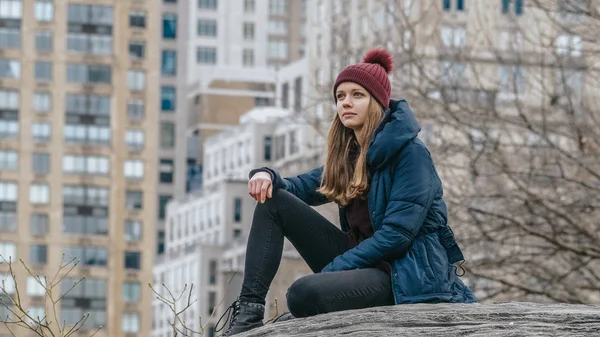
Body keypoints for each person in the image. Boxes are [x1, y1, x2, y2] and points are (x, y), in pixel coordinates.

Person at [216, 49, 476, 336]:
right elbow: (300, 187)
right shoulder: (351, 156)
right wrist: (266, 174)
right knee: (273, 202)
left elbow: (396, 237)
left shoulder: (412, 154)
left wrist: (333, 271)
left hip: (403, 276)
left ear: (377, 101)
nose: (346, 103)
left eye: (357, 95)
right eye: (340, 96)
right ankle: (249, 313)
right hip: (362, 265)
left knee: (302, 292)